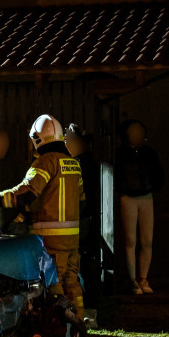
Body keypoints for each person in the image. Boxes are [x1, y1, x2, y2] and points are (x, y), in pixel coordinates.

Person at [0, 114, 86, 322]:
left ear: (37, 138)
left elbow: (25, 193)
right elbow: (80, 200)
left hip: (50, 239)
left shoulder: (44, 162)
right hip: (72, 239)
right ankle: (79, 320)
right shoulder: (73, 164)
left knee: (54, 284)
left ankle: (60, 325)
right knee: (72, 280)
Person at [114, 119, 164, 295]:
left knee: (147, 240)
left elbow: (159, 174)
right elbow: (117, 175)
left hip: (146, 196)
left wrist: (151, 186)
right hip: (128, 197)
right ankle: (133, 281)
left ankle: (143, 278)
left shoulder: (149, 153)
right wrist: (124, 188)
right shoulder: (120, 153)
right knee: (130, 240)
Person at [66, 123, 101, 325]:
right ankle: (87, 312)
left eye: (70, 140)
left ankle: (90, 313)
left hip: (82, 223)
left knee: (85, 268)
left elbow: (83, 199)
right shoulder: (83, 162)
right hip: (82, 222)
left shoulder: (82, 164)